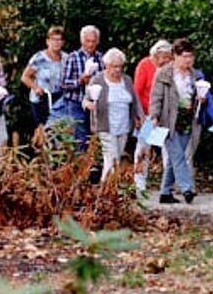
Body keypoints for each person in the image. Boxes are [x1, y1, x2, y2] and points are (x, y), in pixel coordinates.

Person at [148, 38, 205, 204]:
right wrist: (154, 116)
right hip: (168, 120)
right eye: (184, 56)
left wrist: (201, 100)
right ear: (175, 56)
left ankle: (165, 192)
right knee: (178, 155)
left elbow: (198, 97)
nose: (188, 60)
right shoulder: (164, 73)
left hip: (188, 120)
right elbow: (156, 97)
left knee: (175, 158)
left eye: (190, 56)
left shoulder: (195, 75)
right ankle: (187, 188)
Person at [87, 48, 144, 184]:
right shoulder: (98, 79)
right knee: (111, 158)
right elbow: (86, 98)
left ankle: (108, 190)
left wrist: (140, 117)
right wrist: (89, 105)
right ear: (107, 65)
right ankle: (106, 190)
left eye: (120, 66)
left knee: (116, 158)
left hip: (123, 125)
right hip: (105, 125)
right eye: (114, 66)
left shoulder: (127, 80)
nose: (117, 70)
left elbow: (135, 101)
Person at [131, 40, 171, 192]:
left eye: (169, 56)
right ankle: (139, 182)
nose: (166, 60)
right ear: (155, 55)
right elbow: (137, 92)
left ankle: (167, 185)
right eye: (163, 56)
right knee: (143, 149)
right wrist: (137, 115)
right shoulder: (145, 65)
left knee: (168, 151)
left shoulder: (170, 68)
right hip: (147, 115)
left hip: (165, 116)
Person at [57, 25, 104, 150]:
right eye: (88, 41)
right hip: (76, 103)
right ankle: (80, 166)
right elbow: (63, 83)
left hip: (95, 104)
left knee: (96, 137)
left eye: (93, 41)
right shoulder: (72, 57)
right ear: (82, 41)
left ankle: (94, 166)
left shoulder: (101, 58)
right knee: (80, 138)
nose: (91, 44)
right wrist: (80, 81)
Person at [20, 26, 66, 130]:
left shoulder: (66, 58)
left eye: (59, 40)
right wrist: (36, 88)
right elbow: (25, 77)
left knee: (60, 129)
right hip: (42, 98)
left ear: (63, 42)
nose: (56, 43)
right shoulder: (39, 58)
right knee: (44, 129)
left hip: (59, 98)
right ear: (47, 41)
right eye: (53, 39)